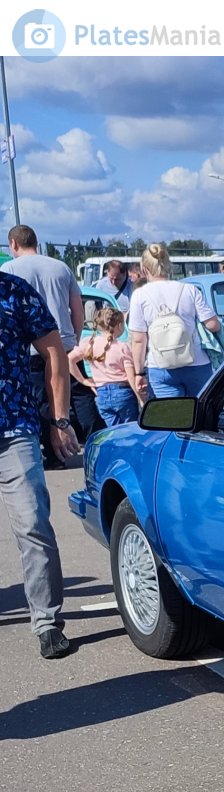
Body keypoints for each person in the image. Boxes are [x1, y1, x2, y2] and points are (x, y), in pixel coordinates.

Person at [0, 271, 80, 658]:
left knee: (33, 521)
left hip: (13, 427)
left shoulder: (13, 291)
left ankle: (47, 621)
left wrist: (59, 419)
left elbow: (53, 352)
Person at [3, 225, 84, 468]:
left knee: (35, 402)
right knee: (63, 400)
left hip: (26, 349)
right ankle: (60, 447)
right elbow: (77, 308)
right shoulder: (61, 267)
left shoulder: (9, 270)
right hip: (62, 343)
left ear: (14, 244)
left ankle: (40, 452)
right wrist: (74, 339)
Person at [126, 242, 221, 399]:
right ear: (168, 265)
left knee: (171, 418)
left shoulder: (139, 295)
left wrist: (139, 373)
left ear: (144, 269)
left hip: (160, 365)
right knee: (200, 414)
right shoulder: (189, 290)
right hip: (196, 362)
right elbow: (212, 325)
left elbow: (138, 340)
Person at [70, 305, 142, 427]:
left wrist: (83, 381)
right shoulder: (122, 347)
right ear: (119, 326)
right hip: (123, 393)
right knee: (129, 431)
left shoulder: (89, 343)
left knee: (113, 431)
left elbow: (69, 360)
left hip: (101, 395)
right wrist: (140, 398)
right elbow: (130, 378)